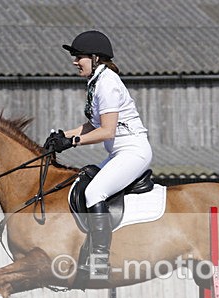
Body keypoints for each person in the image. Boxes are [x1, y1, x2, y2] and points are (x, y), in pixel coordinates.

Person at [44, 30, 152, 279]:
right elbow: (95, 124)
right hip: (119, 152)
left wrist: (72, 141)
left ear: (94, 58)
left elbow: (107, 130)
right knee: (83, 180)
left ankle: (100, 260)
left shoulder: (108, 83)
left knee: (94, 192)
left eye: (78, 57)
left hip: (133, 152)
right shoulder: (97, 81)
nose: (74, 62)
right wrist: (62, 135)